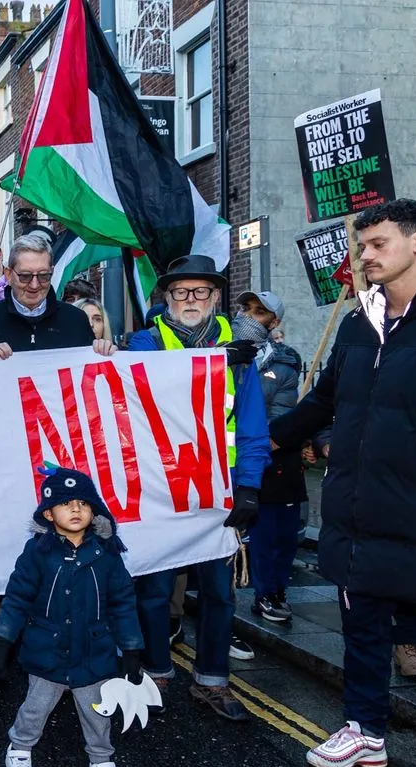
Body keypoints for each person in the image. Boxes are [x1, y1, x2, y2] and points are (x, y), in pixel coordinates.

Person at [269, 200, 416, 767]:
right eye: (363, 246)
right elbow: (321, 402)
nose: (365, 255)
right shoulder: (360, 321)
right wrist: (257, 446)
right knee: (362, 628)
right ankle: (365, 730)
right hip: (356, 511)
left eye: (377, 243)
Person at [124, 254, 269, 722]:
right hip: (161, 487)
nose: (191, 300)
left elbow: (251, 422)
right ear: (166, 296)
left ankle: (212, 680)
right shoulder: (144, 342)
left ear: (215, 297)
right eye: (181, 292)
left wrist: (249, 484)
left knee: (218, 593)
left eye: (201, 292)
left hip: (219, 488)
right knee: (155, 587)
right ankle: (156, 673)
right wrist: (207, 360)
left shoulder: (240, 349)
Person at [0, 468, 142, 767]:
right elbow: (17, 598)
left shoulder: (107, 553)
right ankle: (19, 749)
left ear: (94, 510)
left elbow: (123, 602)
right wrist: (3, 640)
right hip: (48, 650)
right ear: (48, 513)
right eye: (66, 504)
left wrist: (131, 648)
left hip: (93, 652)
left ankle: (101, 762)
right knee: (37, 706)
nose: (76, 510)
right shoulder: (37, 553)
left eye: (83, 504)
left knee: (97, 711)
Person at [231, 291, 305, 624]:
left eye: (259, 312)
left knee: (276, 535)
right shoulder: (215, 350)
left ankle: (270, 592)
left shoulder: (285, 362)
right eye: (245, 308)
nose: (247, 316)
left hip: (272, 458)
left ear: (274, 323)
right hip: (226, 459)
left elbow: (282, 412)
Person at [0, 232, 111, 360]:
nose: (34, 284)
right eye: (25, 276)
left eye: (43, 275)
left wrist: (104, 354)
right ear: (9, 275)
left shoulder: (76, 319)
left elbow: (91, 376)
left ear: (52, 272)